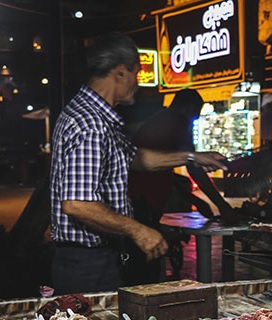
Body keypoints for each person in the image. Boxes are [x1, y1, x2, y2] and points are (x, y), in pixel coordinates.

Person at [49, 32, 227, 295]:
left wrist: (192, 157)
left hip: (94, 257)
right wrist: (139, 231)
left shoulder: (99, 117)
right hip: (87, 263)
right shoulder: (92, 124)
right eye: (137, 73)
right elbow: (77, 204)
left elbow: (135, 158)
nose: (138, 82)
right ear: (120, 73)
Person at [127, 88, 240, 285]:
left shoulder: (163, 119)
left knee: (145, 264)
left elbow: (168, 173)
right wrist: (223, 207)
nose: (195, 117)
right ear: (188, 107)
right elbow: (194, 169)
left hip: (142, 198)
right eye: (196, 111)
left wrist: (194, 199)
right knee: (146, 266)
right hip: (140, 199)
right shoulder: (176, 122)